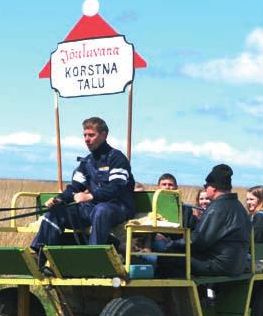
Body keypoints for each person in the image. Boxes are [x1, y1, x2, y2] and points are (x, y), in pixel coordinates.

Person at [31, 117, 135, 265]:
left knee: (101, 210)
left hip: (118, 206)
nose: (86, 139)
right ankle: (39, 256)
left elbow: (116, 188)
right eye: (85, 135)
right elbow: (74, 187)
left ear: (104, 135)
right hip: (92, 207)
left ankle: (93, 259)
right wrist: (59, 199)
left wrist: (91, 195)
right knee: (56, 211)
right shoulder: (86, 162)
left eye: (91, 135)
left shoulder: (117, 158)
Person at [158, 163, 250, 277]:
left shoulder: (217, 208)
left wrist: (171, 244)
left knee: (166, 257)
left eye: (206, 186)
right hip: (236, 264)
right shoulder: (238, 206)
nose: (206, 189)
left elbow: (198, 241)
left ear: (214, 188)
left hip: (218, 264)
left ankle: (181, 293)